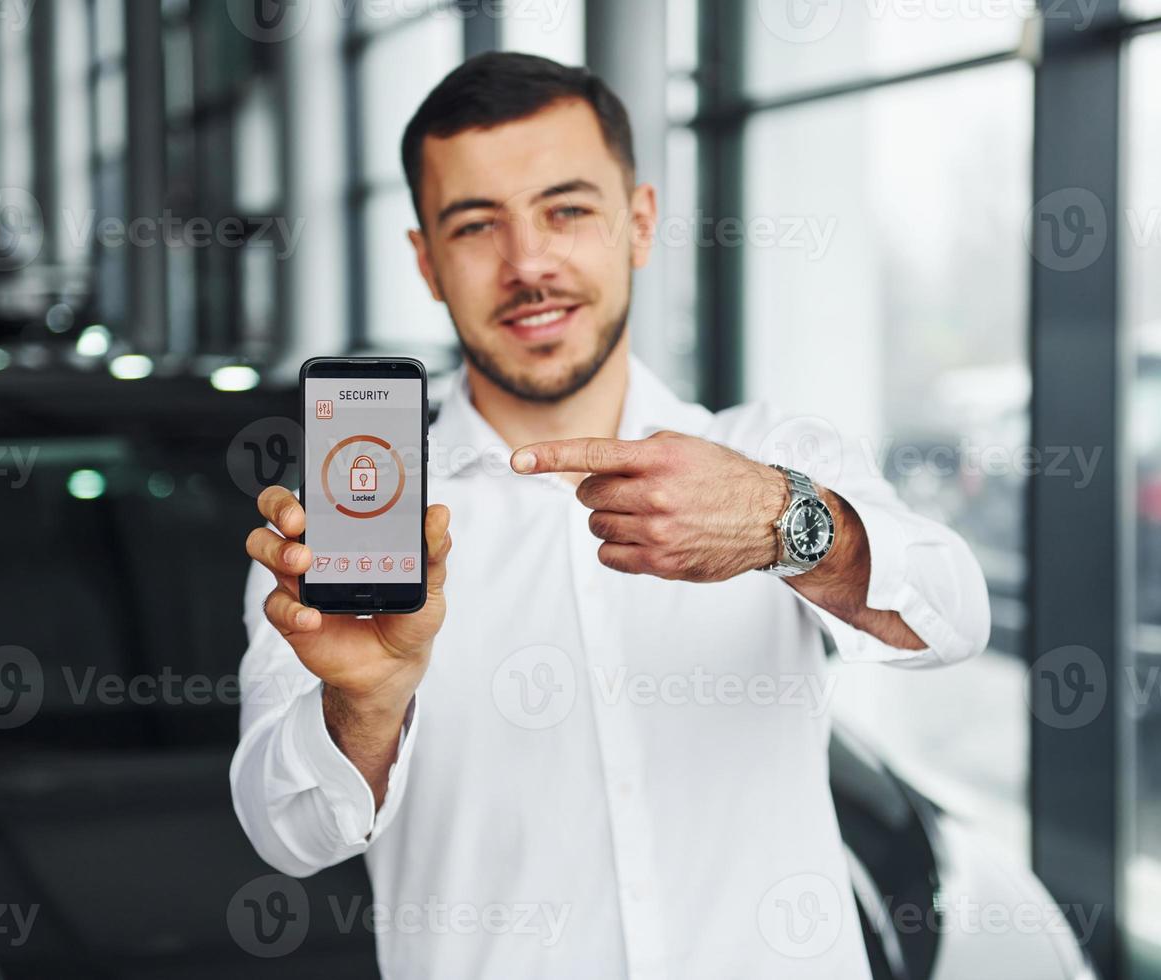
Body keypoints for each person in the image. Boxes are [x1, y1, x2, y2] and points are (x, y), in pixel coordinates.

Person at [232, 51, 989, 979]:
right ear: (426, 262)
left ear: (638, 222)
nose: (529, 264)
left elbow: (953, 619)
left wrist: (777, 520)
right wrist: (364, 707)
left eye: (567, 210)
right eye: (476, 227)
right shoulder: (346, 535)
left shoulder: (773, 457)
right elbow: (287, 835)